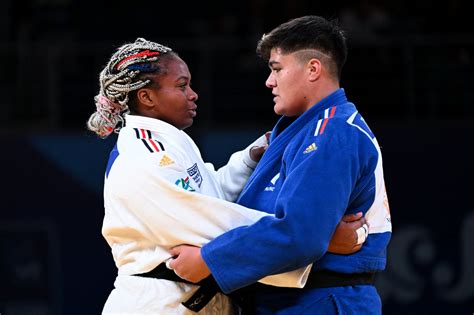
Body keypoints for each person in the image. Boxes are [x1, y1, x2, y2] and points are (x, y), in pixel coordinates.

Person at [87, 37, 368, 314]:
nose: (193, 94)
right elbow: (207, 224)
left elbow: (209, 198)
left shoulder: (169, 141)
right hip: (156, 305)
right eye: (182, 86)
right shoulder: (142, 155)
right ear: (146, 97)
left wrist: (247, 161)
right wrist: (308, 236)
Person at [169, 15, 392, 314]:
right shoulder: (299, 129)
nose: (269, 81)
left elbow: (299, 234)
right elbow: (282, 221)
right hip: (292, 298)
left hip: (321, 300)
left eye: (277, 69)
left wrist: (210, 260)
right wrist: (324, 237)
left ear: (313, 69)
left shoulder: (331, 132)